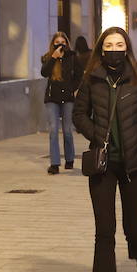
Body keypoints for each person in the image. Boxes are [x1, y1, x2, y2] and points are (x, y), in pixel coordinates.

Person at [74, 26, 137, 272]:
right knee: (104, 230)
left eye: (119, 44)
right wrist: (97, 134)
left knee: (133, 228)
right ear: (101, 48)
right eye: (108, 45)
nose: (114, 49)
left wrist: (135, 136)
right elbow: (79, 115)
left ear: (127, 47)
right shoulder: (91, 78)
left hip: (135, 164)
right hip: (103, 165)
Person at [41, 31, 82, 174]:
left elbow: (79, 75)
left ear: (67, 44)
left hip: (68, 99)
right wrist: (54, 58)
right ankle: (55, 163)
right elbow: (44, 73)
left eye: (63, 43)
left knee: (67, 131)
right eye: (57, 43)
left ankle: (69, 159)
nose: (60, 45)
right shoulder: (48, 57)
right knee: (53, 130)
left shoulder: (72, 57)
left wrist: (72, 89)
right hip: (52, 99)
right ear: (53, 44)